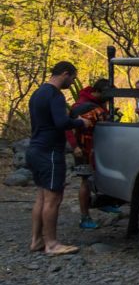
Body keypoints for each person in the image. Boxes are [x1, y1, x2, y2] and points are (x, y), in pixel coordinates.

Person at [26, 61, 91, 255]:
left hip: (35, 149)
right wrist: (80, 122)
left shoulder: (37, 93)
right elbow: (61, 122)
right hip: (50, 152)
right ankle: (52, 244)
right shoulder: (55, 95)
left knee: (41, 197)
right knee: (53, 198)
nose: (72, 83)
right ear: (65, 74)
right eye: (72, 79)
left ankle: (36, 240)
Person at [66, 79, 121, 229]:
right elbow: (68, 127)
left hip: (99, 146)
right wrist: (75, 146)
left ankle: (105, 201)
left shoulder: (100, 104)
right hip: (84, 149)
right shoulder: (80, 106)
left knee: (102, 174)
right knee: (86, 180)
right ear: (100, 92)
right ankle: (85, 217)